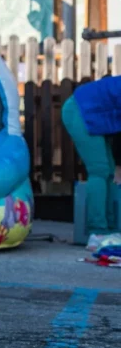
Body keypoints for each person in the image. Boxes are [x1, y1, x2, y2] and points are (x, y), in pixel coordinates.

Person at [61, 75, 121, 245]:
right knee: (100, 170)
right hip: (79, 111)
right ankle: (97, 233)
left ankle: (110, 231)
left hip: (97, 117)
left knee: (108, 172)